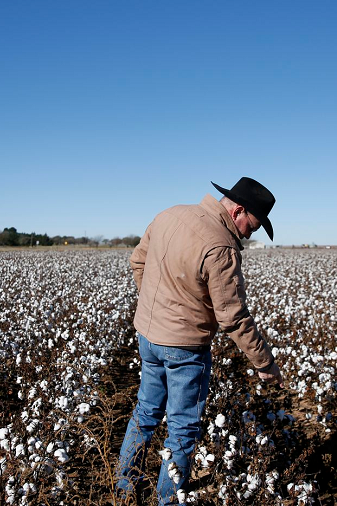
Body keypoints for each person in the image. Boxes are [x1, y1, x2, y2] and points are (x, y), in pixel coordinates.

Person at [115, 177, 284, 505]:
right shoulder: (221, 246)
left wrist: (157, 309)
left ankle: (122, 489)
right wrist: (265, 363)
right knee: (181, 429)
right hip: (185, 349)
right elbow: (232, 317)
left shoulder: (170, 214)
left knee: (145, 411)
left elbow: (138, 261)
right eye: (254, 225)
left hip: (148, 337)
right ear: (238, 211)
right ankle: (168, 500)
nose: (252, 234)